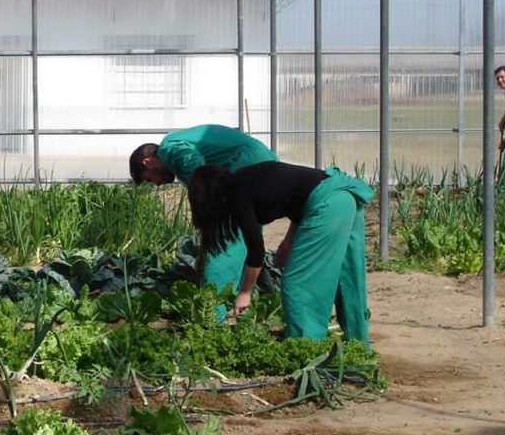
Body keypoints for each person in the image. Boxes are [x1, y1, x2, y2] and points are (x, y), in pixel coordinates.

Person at [187, 162, 372, 346]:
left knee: (298, 284)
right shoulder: (246, 178)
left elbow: (256, 251)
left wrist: (244, 292)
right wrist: (288, 241)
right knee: (347, 277)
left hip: (327, 204)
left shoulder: (238, 196)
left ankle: (306, 352)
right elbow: (297, 197)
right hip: (343, 196)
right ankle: (358, 346)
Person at [129, 125, 280, 302]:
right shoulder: (177, 146)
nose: (157, 184)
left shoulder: (169, 148)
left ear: (148, 162)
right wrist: (203, 250)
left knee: (226, 241)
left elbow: (199, 172)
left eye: (149, 179)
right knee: (245, 238)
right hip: (262, 164)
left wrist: (208, 250)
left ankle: (214, 311)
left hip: (246, 164)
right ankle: (236, 302)